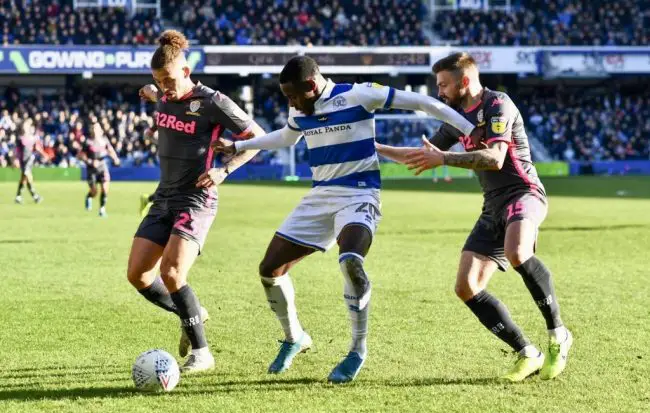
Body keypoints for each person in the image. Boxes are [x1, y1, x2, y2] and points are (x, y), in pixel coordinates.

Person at [214, 55, 481, 383]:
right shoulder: (301, 108)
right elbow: (286, 136)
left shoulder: (359, 95)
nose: (292, 103)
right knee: (269, 269)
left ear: (311, 86)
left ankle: (357, 349)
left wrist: (471, 128)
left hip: (359, 194)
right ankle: (294, 337)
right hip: (320, 196)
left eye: (294, 96)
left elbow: (425, 102)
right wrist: (239, 144)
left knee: (351, 262)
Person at [377, 52, 572, 382]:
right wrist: (375, 146)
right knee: (466, 286)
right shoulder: (455, 115)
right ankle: (528, 352)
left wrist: (444, 160)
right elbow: (424, 154)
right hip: (493, 206)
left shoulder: (497, 105)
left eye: (444, 85)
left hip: (523, 194)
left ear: (464, 81)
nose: (439, 92)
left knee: (518, 252)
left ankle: (558, 333)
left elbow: (495, 159)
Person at [130, 30, 265, 373]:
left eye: (170, 79)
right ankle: (192, 312)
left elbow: (258, 138)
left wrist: (225, 170)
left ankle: (202, 353)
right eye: (158, 81)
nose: (165, 87)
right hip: (163, 198)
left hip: (196, 198)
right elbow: (160, 100)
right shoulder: (162, 94)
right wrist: (153, 97)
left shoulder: (213, 102)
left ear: (187, 72)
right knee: (138, 276)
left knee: (172, 272)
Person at [80, 122, 120, 217]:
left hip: (102, 167)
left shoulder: (104, 140)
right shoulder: (88, 142)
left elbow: (110, 150)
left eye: (97, 128)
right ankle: (89, 197)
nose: (95, 130)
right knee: (94, 191)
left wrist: (115, 158)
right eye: (93, 128)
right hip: (91, 169)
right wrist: (90, 161)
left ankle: (102, 209)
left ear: (100, 130)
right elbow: (80, 155)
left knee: (105, 189)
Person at [14, 119, 47, 204]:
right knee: (26, 178)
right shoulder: (20, 138)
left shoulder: (32, 137)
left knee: (26, 178)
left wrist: (44, 154)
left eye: (28, 125)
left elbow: (37, 148)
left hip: (29, 161)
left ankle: (20, 197)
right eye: (25, 125)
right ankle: (33, 196)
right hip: (23, 161)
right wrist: (16, 159)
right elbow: (17, 150)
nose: (27, 127)